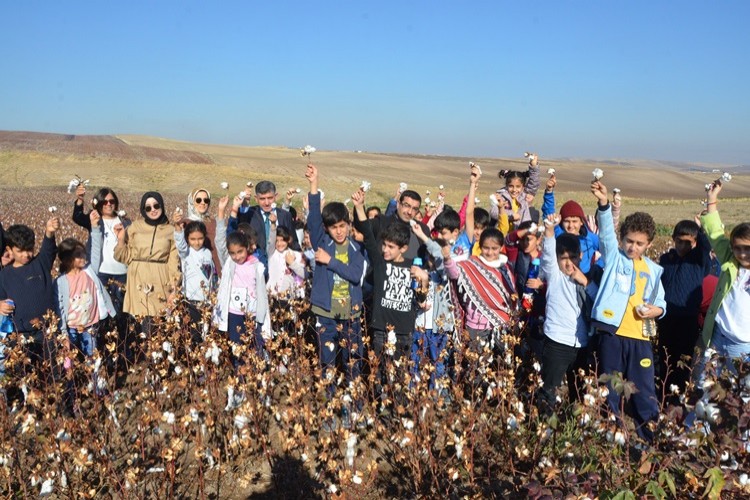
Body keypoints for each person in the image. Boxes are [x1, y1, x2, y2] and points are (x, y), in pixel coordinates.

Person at [590, 180, 666, 442]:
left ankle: (651, 438)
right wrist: (603, 204)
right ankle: (610, 435)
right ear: (622, 239)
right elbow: (606, 236)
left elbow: (661, 303)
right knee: (610, 386)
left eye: (639, 243)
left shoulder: (654, 271)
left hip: (641, 338)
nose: (633, 247)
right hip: (613, 333)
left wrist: (657, 310)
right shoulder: (614, 258)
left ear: (649, 244)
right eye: (629, 241)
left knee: (644, 390)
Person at [352, 188, 427, 406]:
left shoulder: (412, 265)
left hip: (404, 328)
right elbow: (366, 232)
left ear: (403, 248)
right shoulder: (380, 262)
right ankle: (378, 406)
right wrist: (359, 206)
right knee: (377, 369)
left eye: (390, 247)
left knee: (400, 373)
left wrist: (423, 279)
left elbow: (421, 295)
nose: (384, 249)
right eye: (383, 245)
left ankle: (399, 409)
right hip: (380, 327)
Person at [306, 164, 368, 410]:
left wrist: (329, 261)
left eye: (342, 226)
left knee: (352, 361)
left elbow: (355, 275)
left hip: (351, 315)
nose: (339, 231)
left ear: (348, 224)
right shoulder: (322, 242)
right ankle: (327, 406)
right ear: (327, 228)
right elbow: (312, 218)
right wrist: (314, 183)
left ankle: (353, 406)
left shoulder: (356, 249)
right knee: (327, 362)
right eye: (333, 227)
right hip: (326, 315)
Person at [55, 211, 117, 400]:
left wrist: (96, 227)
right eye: (78, 256)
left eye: (83, 254)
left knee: (93, 357)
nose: (83, 258)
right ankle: (71, 391)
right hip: (71, 328)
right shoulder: (61, 282)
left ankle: (97, 388)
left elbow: (96, 248)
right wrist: (63, 332)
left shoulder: (90, 270)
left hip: (90, 325)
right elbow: (60, 309)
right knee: (69, 361)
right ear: (66, 260)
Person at [537, 214, 593, 413]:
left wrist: (584, 281)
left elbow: (596, 301)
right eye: (563, 258)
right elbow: (549, 254)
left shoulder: (588, 280)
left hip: (581, 343)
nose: (568, 263)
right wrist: (550, 230)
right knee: (550, 387)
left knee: (578, 390)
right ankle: (544, 424)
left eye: (573, 257)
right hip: (557, 341)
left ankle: (573, 425)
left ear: (581, 256)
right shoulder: (555, 276)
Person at [696, 181, 750, 370]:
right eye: (738, 248)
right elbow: (716, 234)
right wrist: (712, 200)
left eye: (748, 249)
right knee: (707, 386)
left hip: (744, 345)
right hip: (718, 336)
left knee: (740, 392)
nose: (742, 254)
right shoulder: (730, 262)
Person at [0, 214, 60, 382]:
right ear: (9, 250)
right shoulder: (4, 276)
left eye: (30, 249)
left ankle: (56, 403)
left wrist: (49, 232)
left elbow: (48, 248)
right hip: (20, 335)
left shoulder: (41, 263)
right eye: (20, 251)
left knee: (54, 373)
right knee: (24, 376)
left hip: (47, 331)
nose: (26, 254)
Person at [657, 219, 712, 392]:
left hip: (688, 320)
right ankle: (664, 393)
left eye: (688, 242)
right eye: (679, 241)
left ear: (695, 242)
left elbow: (706, 247)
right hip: (666, 317)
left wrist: (702, 229)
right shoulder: (666, 259)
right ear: (673, 239)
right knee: (665, 356)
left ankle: (679, 395)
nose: (682, 246)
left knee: (684, 359)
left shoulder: (698, 261)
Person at [113, 192, 181, 327]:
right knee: (137, 325)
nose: (153, 210)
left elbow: (174, 262)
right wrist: (121, 239)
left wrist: (174, 289)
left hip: (160, 280)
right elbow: (123, 257)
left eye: (156, 205)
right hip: (137, 279)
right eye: (148, 208)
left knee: (156, 325)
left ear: (162, 206)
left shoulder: (170, 230)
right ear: (143, 210)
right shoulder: (134, 227)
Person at [444, 227, 517, 349]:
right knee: (476, 364)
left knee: (500, 364)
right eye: (486, 248)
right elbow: (454, 273)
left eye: (494, 249)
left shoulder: (505, 268)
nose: (490, 252)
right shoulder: (470, 266)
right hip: (476, 326)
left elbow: (512, 296)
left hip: (502, 325)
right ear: (480, 246)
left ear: (501, 247)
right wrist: (447, 259)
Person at [213, 229, 269, 365]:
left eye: (240, 252)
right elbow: (219, 243)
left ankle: (254, 374)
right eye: (232, 253)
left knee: (254, 345)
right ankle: (240, 374)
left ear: (247, 248)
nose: (237, 257)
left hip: (252, 313)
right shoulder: (229, 264)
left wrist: (260, 316)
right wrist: (221, 215)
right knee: (236, 346)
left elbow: (261, 292)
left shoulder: (257, 266)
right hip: (234, 313)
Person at [541, 175, 600, 274]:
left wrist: (597, 266)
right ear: (561, 221)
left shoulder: (590, 237)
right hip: (562, 279)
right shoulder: (559, 234)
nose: (571, 226)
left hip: (584, 281)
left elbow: (608, 251)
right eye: (567, 221)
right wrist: (549, 192)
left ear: (581, 222)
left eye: (574, 221)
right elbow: (549, 214)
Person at [173, 216, 218, 343]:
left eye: (200, 239)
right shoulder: (186, 253)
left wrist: (213, 291)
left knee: (206, 332)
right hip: (191, 300)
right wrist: (177, 227)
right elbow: (180, 245)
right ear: (187, 238)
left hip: (206, 301)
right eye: (192, 239)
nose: (197, 242)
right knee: (193, 333)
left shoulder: (207, 253)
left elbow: (212, 274)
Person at [356, 188, 430, 260]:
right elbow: (363, 226)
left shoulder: (423, 230)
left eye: (414, 209)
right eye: (406, 205)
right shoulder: (382, 222)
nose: (410, 212)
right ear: (398, 204)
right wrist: (359, 207)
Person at [236, 180, 299, 259]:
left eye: (270, 198)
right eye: (262, 199)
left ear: (276, 196)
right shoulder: (250, 215)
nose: (266, 203)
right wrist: (244, 202)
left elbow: (294, 242)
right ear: (256, 199)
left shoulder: (285, 216)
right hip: (257, 263)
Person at [434, 166, 480, 262]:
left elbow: (469, 213)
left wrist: (472, 184)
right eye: (438, 232)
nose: (438, 236)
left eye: (442, 233)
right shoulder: (436, 248)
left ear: (455, 232)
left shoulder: (465, 240)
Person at [489, 153, 541, 235]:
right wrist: (511, 216)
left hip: (519, 235)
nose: (514, 190)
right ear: (506, 186)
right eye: (511, 186)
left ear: (523, 187)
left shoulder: (524, 197)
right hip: (502, 236)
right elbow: (493, 212)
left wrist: (533, 166)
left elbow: (534, 183)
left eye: (518, 187)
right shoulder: (501, 196)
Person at [185, 187, 223, 273]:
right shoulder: (185, 223)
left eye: (206, 200)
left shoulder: (214, 223)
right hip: (192, 271)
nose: (203, 203)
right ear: (192, 202)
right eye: (198, 200)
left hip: (215, 269)